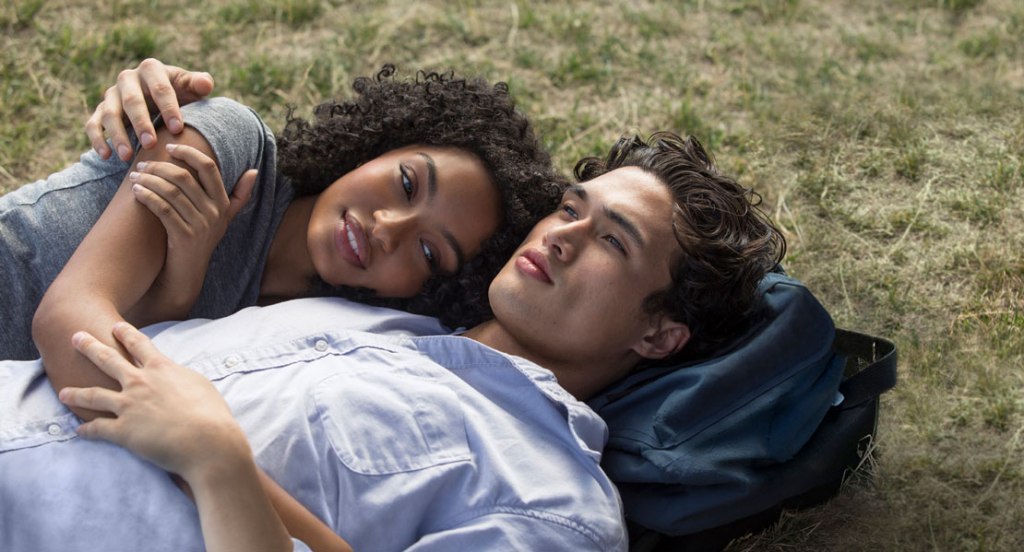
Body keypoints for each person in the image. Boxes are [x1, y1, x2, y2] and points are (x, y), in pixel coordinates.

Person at [0, 131, 786, 551]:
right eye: (570, 209)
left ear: (658, 335)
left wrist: (219, 466)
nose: (562, 236)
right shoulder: (354, 303)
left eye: (611, 241)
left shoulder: (551, 502)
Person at [0, 62, 562, 388]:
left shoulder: (322, 333)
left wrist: (179, 292)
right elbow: (66, 322)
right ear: (379, 146)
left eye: (429, 253)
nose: (387, 228)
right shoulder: (229, 148)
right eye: (408, 183)